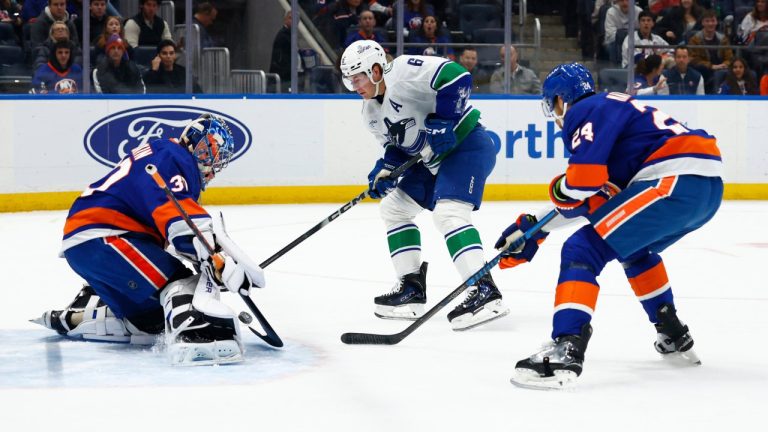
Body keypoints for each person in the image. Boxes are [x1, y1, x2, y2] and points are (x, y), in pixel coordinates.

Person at [498, 63, 723, 390]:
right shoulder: (616, 111)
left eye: (553, 105)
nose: (556, 115)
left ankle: (567, 346)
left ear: (562, 99)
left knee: (581, 249)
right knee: (631, 247)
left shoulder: (585, 110)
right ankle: (673, 332)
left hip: (672, 180)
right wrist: (535, 227)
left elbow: (581, 183)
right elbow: (595, 201)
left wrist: (555, 195)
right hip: (706, 188)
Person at [32, 114, 265, 366]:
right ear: (192, 142)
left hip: (91, 242)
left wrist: (210, 264)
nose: (212, 164)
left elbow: (171, 226)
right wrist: (216, 257)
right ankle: (200, 336)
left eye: (217, 157)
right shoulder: (174, 156)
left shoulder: (162, 152)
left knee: (151, 321)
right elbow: (180, 219)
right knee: (181, 284)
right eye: (209, 152)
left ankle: (85, 316)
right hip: (108, 237)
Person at [339, 40, 509, 330]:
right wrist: (385, 171)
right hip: (431, 162)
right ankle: (411, 289)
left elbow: (456, 76)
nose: (354, 86)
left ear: (376, 69)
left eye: (358, 78)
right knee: (393, 209)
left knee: (449, 214)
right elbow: (398, 149)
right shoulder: (369, 113)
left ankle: (484, 290)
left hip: (466, 146)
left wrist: (444, 119)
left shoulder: (403, 71)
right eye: (349, 80)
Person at [689, 9, 733, 93]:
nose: (710, 24)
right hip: (704, 69)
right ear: (702, 23)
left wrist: (724, 64)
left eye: (713, 21)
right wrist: (711, 66)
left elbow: (729, 57)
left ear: (716, 22)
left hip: (721, 67)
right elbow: (693, 59)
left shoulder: (723, 39)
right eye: (707, 21)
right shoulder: (695, 39)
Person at [603, 0, 643, 64]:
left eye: (627, 0)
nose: (625, 3)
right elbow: (610, 34)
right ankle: (617, 67)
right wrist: (624, 37)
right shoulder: (611, 12)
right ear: (617, 1)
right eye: (622, 0)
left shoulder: (639, 11)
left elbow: (642, 31)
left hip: (635, 41)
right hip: (615, 43)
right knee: (614, 45)